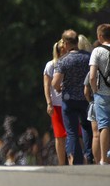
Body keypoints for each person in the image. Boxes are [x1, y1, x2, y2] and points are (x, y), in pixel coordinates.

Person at [53, 30, 92, 164]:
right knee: (87, 127)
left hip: (69, 100)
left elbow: (55, 82)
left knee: (72, 132)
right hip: (86, 98)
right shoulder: (88, 57)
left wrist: (59, 88)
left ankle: (76, 159)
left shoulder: (63, 60)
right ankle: (90, 154)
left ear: (66, 43)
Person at [89, 24, 110, 165]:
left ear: (100, 36)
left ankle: (103, 159)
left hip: (102, 94)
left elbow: (91, 76)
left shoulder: (97, 51)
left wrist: (94, 90)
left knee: (104, 126)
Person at [43, 39, 67, 165]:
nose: (64, 49)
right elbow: (46, 86)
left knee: (73, 134)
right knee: (59, 136)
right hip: (57, 104)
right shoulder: (51, 65)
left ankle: (74, 160)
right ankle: (62, 163)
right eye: (62, 48)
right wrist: (49, 103)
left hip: (70, 103)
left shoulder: (69, 62)